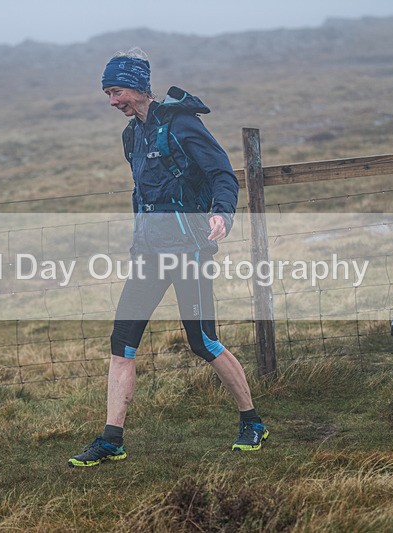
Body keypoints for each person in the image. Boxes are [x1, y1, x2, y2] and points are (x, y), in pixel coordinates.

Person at [68, 48, 267, 467]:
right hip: (147, 255)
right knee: (122, 344)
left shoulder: (182, 125)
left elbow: (221, 174)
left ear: (139, 87)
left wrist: (222, 213)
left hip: (188, 252)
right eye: (107, 94)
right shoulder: (132, 136)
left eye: (117, 92)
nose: (112, 102)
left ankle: (252, 422)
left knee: (202, 341)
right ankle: (111, 440)